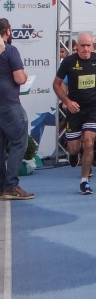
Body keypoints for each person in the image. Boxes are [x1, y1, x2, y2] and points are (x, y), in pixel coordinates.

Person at [53, 32, 96, 195]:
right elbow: (56, 84)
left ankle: (84, 181)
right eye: (82, 46)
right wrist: (67, 102)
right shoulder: (69, 61)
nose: (86, 49)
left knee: (88, 142)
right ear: (77, 47)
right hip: (75, 109)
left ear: (92, 46)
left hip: (93, 107)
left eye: (89, 46)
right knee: (74, 148)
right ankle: (73, 154)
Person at [0, 19, 34, 200]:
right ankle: (11, 186)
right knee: (20, 142)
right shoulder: (10, 50)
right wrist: (26, 74)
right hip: (8, 103)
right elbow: (20, 79)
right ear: (8, 31)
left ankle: (2, 186)